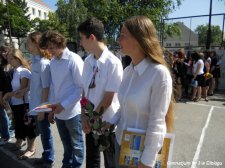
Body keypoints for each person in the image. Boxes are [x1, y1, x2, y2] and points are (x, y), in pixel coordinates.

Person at [109, 16, 174, 168]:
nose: (118, 40)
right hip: (122, 145)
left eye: (122, 35)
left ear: (138, 39)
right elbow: (124, 105)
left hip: (142, 153)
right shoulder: (127, 71)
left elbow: (157, 121)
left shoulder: (158, 74)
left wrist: (147, 161)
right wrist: (110, 122)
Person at [78, 17, 123, 168]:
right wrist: (83, 116)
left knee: (111, 163)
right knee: (91, 161)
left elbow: (108, 99)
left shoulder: (113, 63)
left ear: (92, 38)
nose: (80, 43)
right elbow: (84, 92)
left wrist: (91, 120)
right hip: (90, 122)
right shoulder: (87, 61)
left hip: (107, 124)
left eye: (82, 38)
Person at [39, 30, 84, 168]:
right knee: (66, 143)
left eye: (52, 47)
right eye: (47, 48)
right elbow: (54, 88)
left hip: (72, 112)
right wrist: (52, 109)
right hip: (58, 112)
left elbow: (80, 89)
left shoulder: (74, 59)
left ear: (60, 43)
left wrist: (63, 105)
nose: (49, 51)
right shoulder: (53, 62)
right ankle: (66, 164)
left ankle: (75, 165)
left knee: (76, 144)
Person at [26, 32, 55, 167]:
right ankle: (46, 155)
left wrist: (43, 110)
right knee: (43, 133)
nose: (27, 44)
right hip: (35, 105)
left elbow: (46, 88)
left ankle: (49, 159)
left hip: (41, 106)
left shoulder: (43, 63)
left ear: (36, 43)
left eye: (29, 42)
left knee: (45, 133)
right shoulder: (35, 62)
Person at [3, 49, 37, 154]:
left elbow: (21, 92)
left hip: (24, 103)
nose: (9, 61)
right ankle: (19, 142)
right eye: (8, 59)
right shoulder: (14, 71)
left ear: (18, 58)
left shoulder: (24, 71)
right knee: (18, 124)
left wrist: (8, 95)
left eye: (11, 59)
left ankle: (31, 148)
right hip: (16, 104)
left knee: (28, 126)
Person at [0, 45, 15, 145]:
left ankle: (10, 133)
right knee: (4, 115)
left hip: (14, 94)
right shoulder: (2, 66)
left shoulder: (15, 65)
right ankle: (6, 135)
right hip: (4, 94)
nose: (3, 53)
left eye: (5, 51)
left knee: (13, 115)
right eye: (1, 52)